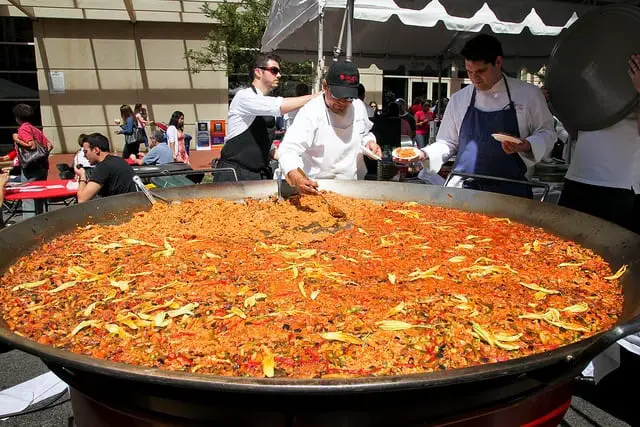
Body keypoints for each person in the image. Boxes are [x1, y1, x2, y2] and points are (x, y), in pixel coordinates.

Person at [404, 34, 556, 198]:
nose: (474, 78)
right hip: (465, 191)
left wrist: (527, 145)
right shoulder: (459, 99)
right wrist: (424, 154)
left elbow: (547, 133)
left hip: (511, 192)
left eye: (481, 71)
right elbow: (447, 142)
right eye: (469, 71)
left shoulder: (528, 94)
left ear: (498, 62)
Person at [554, 55, 640, 234]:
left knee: (617, 255)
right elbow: (577, 132)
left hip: (619, 184)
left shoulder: (633, 79)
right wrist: (557, 107)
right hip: (578, 177)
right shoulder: (588, 80)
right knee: (566, 247)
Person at [278, 60, 382, 195]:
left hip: (352, 186)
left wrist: (370, 143)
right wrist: (297, 178)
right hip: (317, 187)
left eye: (348, 98)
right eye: (337, 96)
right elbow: (288, 150)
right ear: (325, 86)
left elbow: (364, 133)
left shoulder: (358, 107)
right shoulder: (311, 112)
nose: (343, 103)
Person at [215, 53, 318, 182]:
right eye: (274, 71)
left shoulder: (263, 103)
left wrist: (290, 160)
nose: (279, 75)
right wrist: (317, 96)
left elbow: (264, 145)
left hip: (257, 175)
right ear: (258, 72)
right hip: (234, 175)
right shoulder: (244, 97)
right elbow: (279, 106)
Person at [12, 103, 53, 217]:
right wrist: (41, 157)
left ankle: (29, 228)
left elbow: (32, 145)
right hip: (42, 167)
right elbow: (50, 145)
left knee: (28, 198)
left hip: (30, 169)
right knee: (39, 199)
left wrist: (16, 139)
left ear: (17, 118)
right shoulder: (35, 129)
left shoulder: (23, 129)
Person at [74, 133, 137, 203]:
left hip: (122, 209)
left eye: (86, 151)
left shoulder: (103, 167)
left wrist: (82, 176)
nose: (85, 156)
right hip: (132, 203)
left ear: (96, 150)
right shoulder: (118, 160)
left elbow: (82, 199)